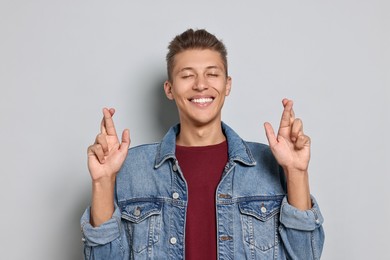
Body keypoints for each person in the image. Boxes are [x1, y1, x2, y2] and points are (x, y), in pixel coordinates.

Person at [80, 28, 324, 259]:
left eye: (212, 74)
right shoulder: (132, 168)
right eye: (187, 75)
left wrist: (296, 171)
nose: (200, 84)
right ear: (170, 89)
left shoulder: (270, 163)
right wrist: (103, 181)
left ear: (227, 85)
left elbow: (305, 255)